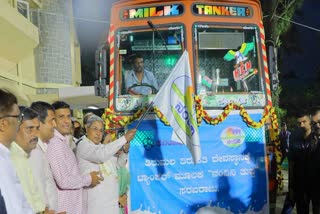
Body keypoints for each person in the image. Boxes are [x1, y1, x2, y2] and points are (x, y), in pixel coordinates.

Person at [47, 101, 103, 214]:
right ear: (53, 120)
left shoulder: (64, 143)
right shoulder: (55, 144)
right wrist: (88, 179)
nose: (67, 121)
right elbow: (63, 181)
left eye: (68, 116)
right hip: (65, 209)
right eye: (61, 117)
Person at [76, 114, 136, 214]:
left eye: (100, 130)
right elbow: (101, 156)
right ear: (87, 128)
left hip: (110, 204)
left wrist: (125, 151)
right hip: (95, 206)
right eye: (95, 128)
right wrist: (124, 138)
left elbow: (118, 164)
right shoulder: (83, 145)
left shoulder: (100, 146)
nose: (98, 133)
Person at [10, 106, 53, 213]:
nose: (35, 134)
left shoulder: (24, 154)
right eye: (29, 129)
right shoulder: (12, 158)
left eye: (37, 128)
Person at [0, 89, 33, 213]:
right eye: (18, 117)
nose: (20, 123)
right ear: (3, 124)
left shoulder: (6, 155)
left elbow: (21, 202)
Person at [289, 110, 320, 213]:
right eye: (299, 123)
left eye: (304, 121)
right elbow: (291, 163)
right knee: (302, 210)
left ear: (310, 121)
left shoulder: (317, 138)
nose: (301, 125)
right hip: (300, 184)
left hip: (316, 184)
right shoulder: (293, 137)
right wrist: (291, 186)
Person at [29, 101, 58, 212]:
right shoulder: (33, 151)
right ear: (39, 123)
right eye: (52, 121)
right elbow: (38, 188)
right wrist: (46, 209)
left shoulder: (43, 147)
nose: (55, 125)